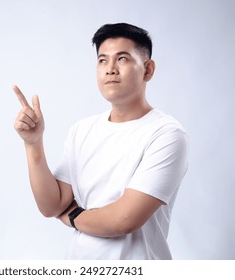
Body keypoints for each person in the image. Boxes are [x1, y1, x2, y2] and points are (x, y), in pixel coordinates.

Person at [13, 22, 188, 260]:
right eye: (102, 60)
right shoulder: (82, 130)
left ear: (148, 69)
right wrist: (33, 143)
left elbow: (124, 219)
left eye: (123, 59)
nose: (110, 69)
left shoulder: (166, 134)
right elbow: (51, 206)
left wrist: (73, 216)